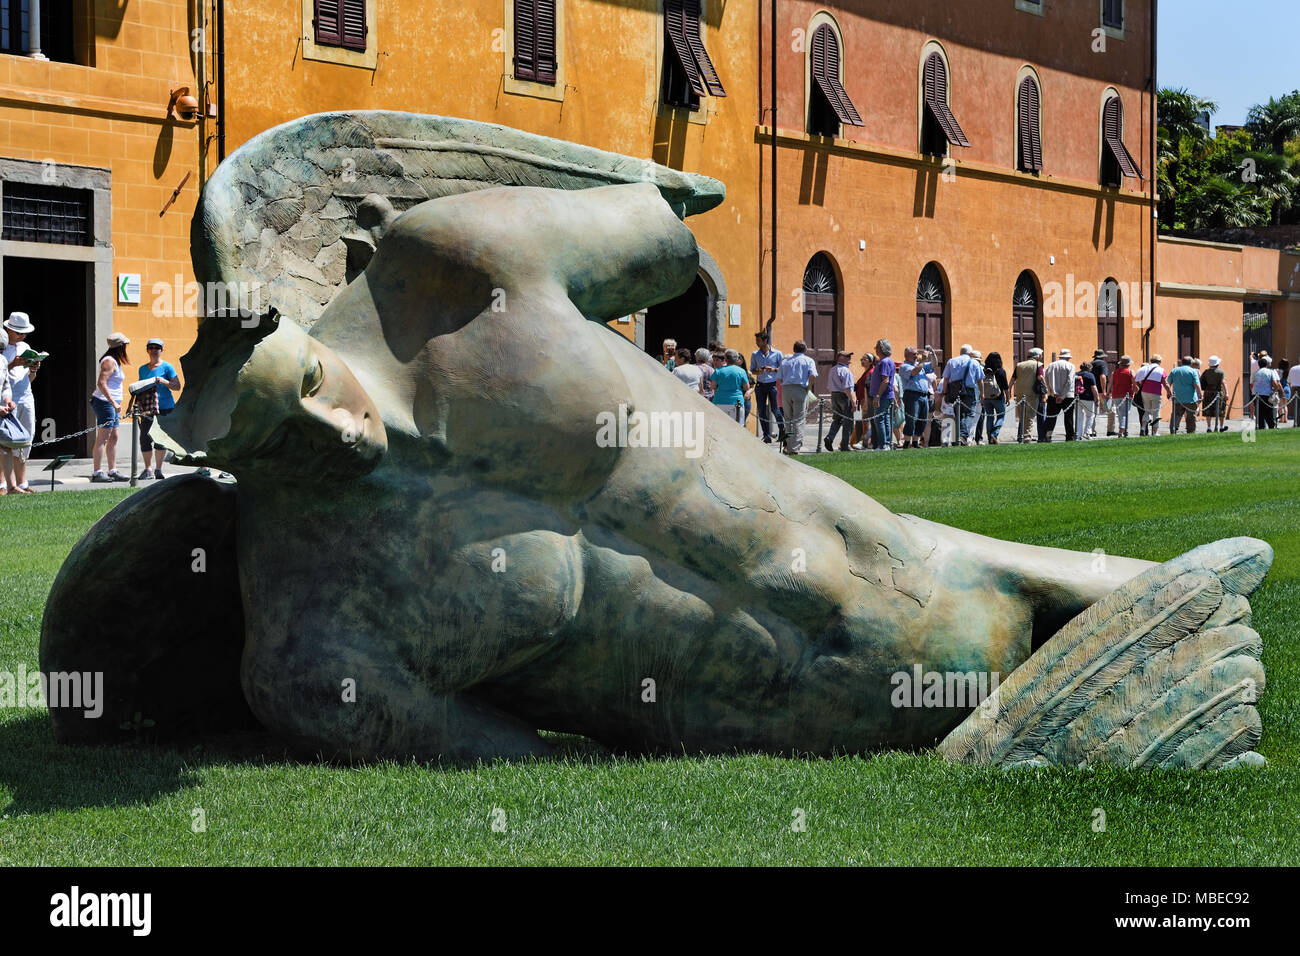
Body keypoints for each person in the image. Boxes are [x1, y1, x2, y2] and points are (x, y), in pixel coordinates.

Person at [1, 312, 39, 494]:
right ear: (8, 329)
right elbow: (2, 374)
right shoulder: (2, 349)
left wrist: (33, 369)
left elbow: (29, 378)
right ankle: (5, 483)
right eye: (18, 332)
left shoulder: (25, 346)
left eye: (24, 333)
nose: (22, 336)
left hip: (26, 395)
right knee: (7, 439)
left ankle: (22, 482)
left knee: (26, 437)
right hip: (8, 397)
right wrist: (14, 364)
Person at [135, 338, 182, 479]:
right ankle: (148, 469)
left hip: (165, 408)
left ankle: (158, 469)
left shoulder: (167, 367)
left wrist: (164, 381)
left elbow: (177, 386)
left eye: (157, 348)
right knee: (144, 438)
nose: (154, 350)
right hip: (147, 408)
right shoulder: (142, 369)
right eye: (151, 347)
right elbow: (140, 388)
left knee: (160, 439)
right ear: (147, 350)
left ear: (161, 350)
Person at [89, 332, 132, 482]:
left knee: (114, 436)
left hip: (111, 404)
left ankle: (112, 470)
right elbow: (101, 383)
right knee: (104, 437)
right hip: (104, 402)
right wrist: (113, 402)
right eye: (125, 345)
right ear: (120, 346)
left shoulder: (115, 361)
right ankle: (97, 472)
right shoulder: (109, 361)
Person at [779, 340, 818, 455]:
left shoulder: (785, 361)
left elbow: (780, 377)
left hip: (786, 389)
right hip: (800, 389)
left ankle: (788, 445)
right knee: (799, 420)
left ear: (794, 349)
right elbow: (812, 375)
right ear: (805, 350)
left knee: (788, 419)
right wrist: (809, 387)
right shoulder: (808, 360)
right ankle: (794, 447)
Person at [938, 344, 981, 446]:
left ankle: (958, 438)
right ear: (970, 353)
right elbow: (980, 381)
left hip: (954, 390)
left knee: (958, 414)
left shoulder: (951, 361)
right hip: (969, 390)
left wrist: (945, 392)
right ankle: (962, 435)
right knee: (969, 414)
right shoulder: (974, 362)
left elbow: (946, 379)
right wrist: (982, 394)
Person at [750, 331, 785, 444]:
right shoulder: (755, 354)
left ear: (765, 341)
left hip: (772, 384)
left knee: (776, 410)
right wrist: (758, 371)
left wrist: (773, 369)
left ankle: (782, 431)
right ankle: (766, 435)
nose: (756, 342)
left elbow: (783, 369)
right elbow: (752, 370)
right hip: (760, 385)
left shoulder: (778, 354)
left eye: (758, 340)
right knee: (761, 410)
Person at [899, 347, 933, 449]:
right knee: (911, 418)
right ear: (907, 355)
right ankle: (906, 442)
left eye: (916, 354)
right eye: (914, 354)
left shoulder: (920, 365)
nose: (916, 356)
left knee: (922, 419)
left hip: (923, 395)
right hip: (912, 394)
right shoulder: (904, 366)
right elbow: (913, 372)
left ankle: (915, 442)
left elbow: (933, 365)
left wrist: (932, 354)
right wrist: (922, 360)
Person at [822, 350, 857, 452]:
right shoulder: (846, 371)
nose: (849, 358)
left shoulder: (832, 369)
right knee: (848, 421)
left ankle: (830, 437)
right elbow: (847, 388)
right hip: (844, 396)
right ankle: (845, 445)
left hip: (834, 395)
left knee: (837, 419)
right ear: (840, 358)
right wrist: (853, 402)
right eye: (847, 356)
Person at [1040, 348, 1076, 442]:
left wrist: (1052, 392)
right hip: (1067, 396)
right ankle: (1069, 437)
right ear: (1068, 357)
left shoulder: (1051, 365)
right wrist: (1062, 395)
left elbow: (1046, 380)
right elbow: (1069, 381)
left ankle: (1047, 436)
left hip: (1053, 396)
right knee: (1068, 417)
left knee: (1051, 417)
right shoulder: (1071, 366)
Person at [1010, 347, 1043, 444]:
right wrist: (1045, 391)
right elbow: (1040, 377)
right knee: (1030, 417)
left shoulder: (1019, 365)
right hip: (1032, 394)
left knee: (1022, 417)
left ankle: (1021, 436)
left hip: (1020, 394)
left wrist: (1009, 393)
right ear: (1037, 356)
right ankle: (1027, 437)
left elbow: (1012, 379)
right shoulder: (1038, 365)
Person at [868, 339, 896, 451]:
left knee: (879, 419)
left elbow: (885, 380)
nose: (876, 349)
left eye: (877, 347)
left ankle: (883, 444)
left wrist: (877, 396)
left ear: (882, 349)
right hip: (887, 395)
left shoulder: (884, 362)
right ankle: (886, 444)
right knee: (885, 418)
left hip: (883, 396)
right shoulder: (887, 361)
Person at [976, 351, 1009, 445]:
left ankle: (990, 436)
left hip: (986, 397)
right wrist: (1008, 397)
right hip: (998, 397)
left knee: (989, 417)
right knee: (1001, 416)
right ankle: (994, 434)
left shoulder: (984, 370)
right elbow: (1005, 387)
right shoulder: (1001, 371)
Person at [711, 348, 750, 424]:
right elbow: (746, 387)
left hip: (720, 401)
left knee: (720, 426)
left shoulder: (718, 371)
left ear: (725, 358)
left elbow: (712, 386)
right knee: (738, 427)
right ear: (736, 359)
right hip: (736, 402)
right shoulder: (741, 371)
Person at [1134, 355, 1169, 437]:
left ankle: (1143, 428)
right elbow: (1165, 383)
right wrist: (1169, 392)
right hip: (1156, 393)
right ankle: (1155, 431)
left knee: (1147, 411)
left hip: (1144, 392)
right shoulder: (1161, 370)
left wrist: (1140, 385)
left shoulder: (1143, 369)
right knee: (1156, 412)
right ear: (1159, 362)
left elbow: (1136, 380)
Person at [1166, 355, 1202, 435]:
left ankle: (1173, 430)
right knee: (1191, 417)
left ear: (1182, 362)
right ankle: (1191, 432)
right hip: (1191, 399)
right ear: (1191, 363)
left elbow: (1168, 383)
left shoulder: (1174, 370)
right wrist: (1200, 395)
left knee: (1176, 415)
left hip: (1177, 398)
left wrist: (1168, 392)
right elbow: (1196, 384)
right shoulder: (1193, 371)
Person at [1251, 355, 1282, 429]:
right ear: (1266, 364)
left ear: (1259, 364)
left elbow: (1252, 384)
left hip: (1256, 394)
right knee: (1268, 411)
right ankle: (1271, 426)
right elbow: (1275, 383)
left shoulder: (1255, 373)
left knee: (1259, 412)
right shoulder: (1270, 372)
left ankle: (1261, 426)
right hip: (1266, 394)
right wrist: (1275, 391)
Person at [851, 353, 875, 449]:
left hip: (865, 401)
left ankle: (865, 443)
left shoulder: (871, 372)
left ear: (870, 362)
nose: (862, 361)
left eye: (864, 359)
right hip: (859, 401)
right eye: (861, 359)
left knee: (866, 422)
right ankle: (857, 441)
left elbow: (867, 389)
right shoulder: (865, 372)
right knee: (859, 422)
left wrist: (865, 403)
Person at [1073, 358, 1099, 440]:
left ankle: (1078, 434)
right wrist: (1097, 398)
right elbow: (1094, 388)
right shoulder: (1090, 375)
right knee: (1090, 415)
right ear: (1089, 368)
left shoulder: (1076, 374)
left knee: (1079, 417)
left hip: (1077, 398)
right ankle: (1087, 432)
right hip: (1088, 398)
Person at [1111, 355, 1136, 437]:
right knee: (1125, 413)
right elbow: (1134, 383)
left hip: (1115, 394)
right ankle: (1121, 431)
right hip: (1126, 395)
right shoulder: (1130, 372)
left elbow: (1111, 383)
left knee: (1120, 414)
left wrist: (1107, 393)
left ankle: (1123, 430)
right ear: (1128, 364)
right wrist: (1137, 390)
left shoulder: (1114, 372)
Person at [1089, 349, 1113, 437]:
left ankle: (1091, 430)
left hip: (1092, 391)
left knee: (1092, 412)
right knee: (1109, 410)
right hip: (1100, 392)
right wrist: (1104, 391)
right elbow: (1102, 376)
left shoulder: (1091, 363)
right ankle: (1110, 430)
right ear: (1103, 357)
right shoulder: (1102, 364)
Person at [1200, 356, 1227, 433]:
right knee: (1221, 410)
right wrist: (1227, 393)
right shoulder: (1221, 372)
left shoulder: (1206, 372)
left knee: (1208, 410)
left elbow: (1201, 381)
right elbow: (1223, 382)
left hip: (1208, 392)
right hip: (1219, 392)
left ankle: (1209, 427)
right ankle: (1221, 426)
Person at [1278, 358, 1292, 424]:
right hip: (1287, 388)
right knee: (1285, 405)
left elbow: (1278, 381)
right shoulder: (1288, 371)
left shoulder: (1278, 371)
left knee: (1280, 405)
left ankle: (1282, 419)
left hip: (1281, 388)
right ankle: (1286, 418)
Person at [1290, 357, 1300, 428]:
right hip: (1296, 388)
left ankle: (1297, 422)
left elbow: (1289, 381)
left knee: (1297, 407)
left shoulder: (1293, 368)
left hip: (1295, 388)